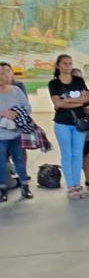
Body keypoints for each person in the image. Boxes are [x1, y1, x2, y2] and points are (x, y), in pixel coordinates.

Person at [49, 54, 89, 199]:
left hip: (79, 122)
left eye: (70, 63)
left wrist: (67, 101)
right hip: (62, 123)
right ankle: (70, 186)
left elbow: (87, 98)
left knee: (77, 153)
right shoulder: (54, 83)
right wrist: (78, 102)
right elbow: (58, 104)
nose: (68, 66)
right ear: (58, 65)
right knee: (67, 154)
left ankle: (77, 184)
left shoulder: (78, 81)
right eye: (64, 63)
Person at [0, 61, 33, 201]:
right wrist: (3, 113)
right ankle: (2, 189)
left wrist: (17, 113)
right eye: (1, 73)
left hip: (16, 134)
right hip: (1, 136)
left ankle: (25, 186)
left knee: (19, 160)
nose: (4, 75)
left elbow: (27, 108)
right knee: (1, 163)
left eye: (6, 72)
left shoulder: (16, 90)